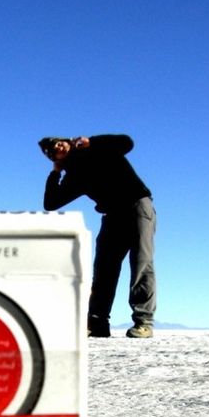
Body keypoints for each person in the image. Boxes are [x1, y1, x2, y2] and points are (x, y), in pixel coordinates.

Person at [39, 134, 156, 338]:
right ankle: (97, 323)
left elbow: (127, 142)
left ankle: (143, 322)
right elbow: (51, 203)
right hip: (112, 215)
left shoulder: (97, 149)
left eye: (58, 142)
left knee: (140, 261)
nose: (56, 147)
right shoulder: (73, 176)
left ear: (68, 141)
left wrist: (93, 141)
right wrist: (55, 173)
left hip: (137, 204)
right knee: (104, 269)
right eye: (50, 151)